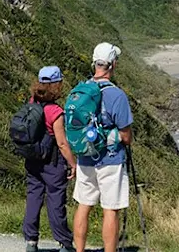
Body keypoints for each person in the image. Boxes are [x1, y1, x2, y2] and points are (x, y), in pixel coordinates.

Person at [72, 43, 133, 252]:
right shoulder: (117, 95)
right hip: (111, 159)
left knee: (83, 205)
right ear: (113, 64)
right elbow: (126, 136)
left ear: (94, 63)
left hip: (84, 156)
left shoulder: (80, 92)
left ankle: (79, 250)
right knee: (110, 209)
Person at [23, 66, 78, 252]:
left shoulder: (31, 103)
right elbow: (62, 143)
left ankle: (31, 242)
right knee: (55, 201)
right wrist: (73, 163)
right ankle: (64, 243)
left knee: (33, 198)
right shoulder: (55, 111)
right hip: (52, 163)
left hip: (33, 160)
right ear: (56, 85)